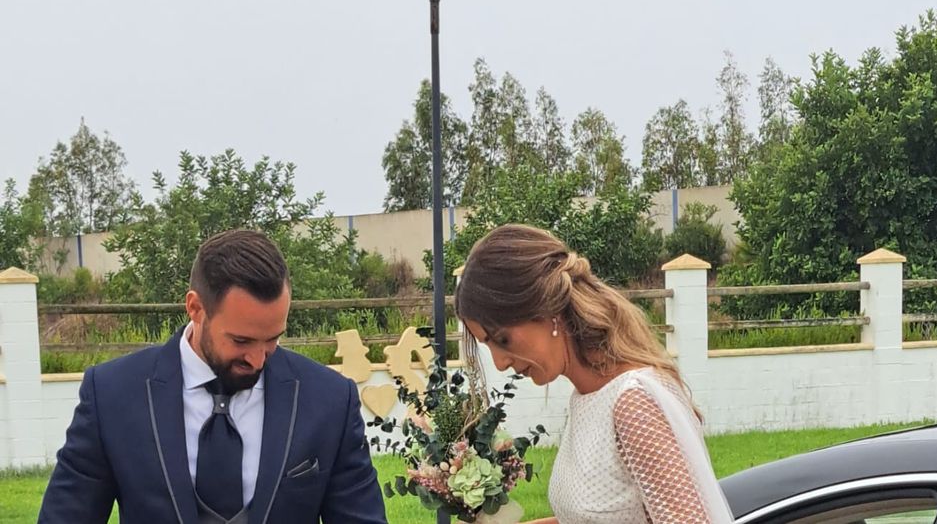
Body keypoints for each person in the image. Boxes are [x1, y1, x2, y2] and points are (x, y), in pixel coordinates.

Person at [39, 229, 387, 524]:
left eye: (273, 339)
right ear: (195, 308)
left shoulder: (329, 401)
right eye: (241, 340)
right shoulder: (112, 395)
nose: (258, 358)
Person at [455, 224, 733, 524]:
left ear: (548, 309)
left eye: (502, 339)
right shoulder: (587, 397)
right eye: (488, 346)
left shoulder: (634, 403)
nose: (499, 362)